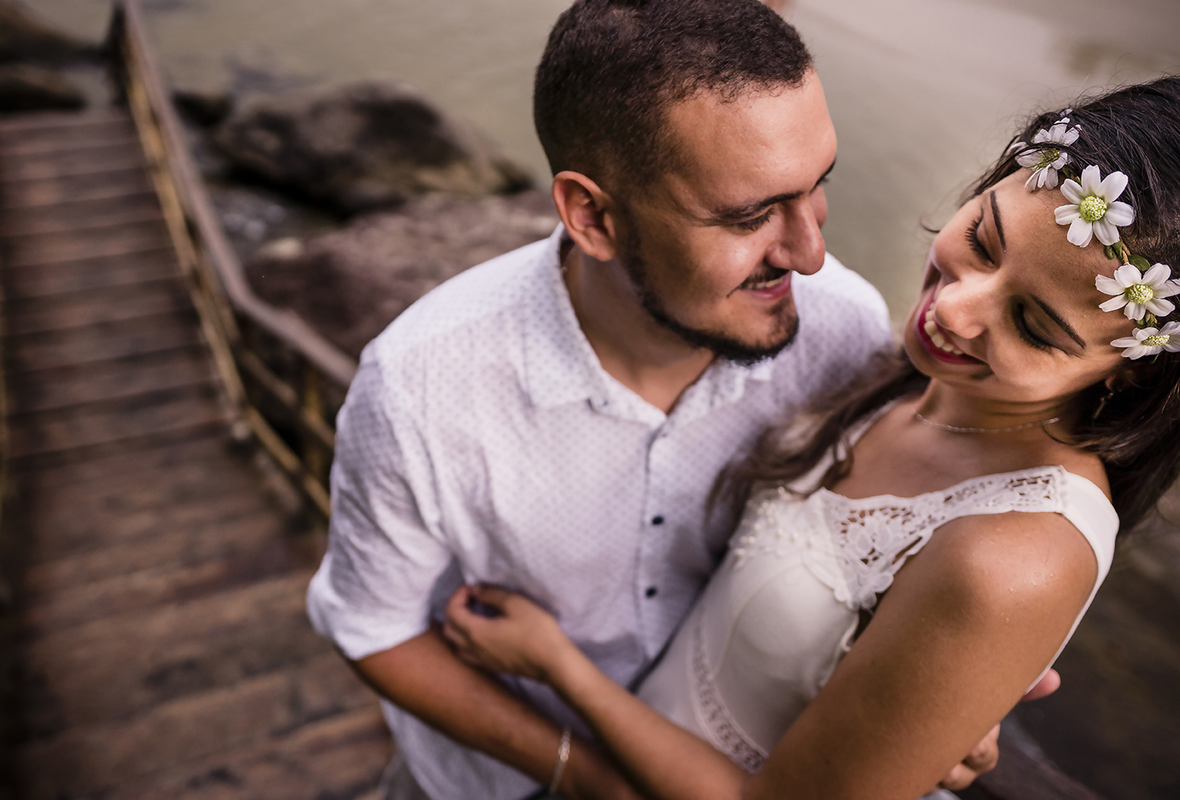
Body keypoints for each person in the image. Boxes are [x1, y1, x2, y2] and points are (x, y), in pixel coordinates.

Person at [306, 2, 1034, 797]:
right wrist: (585, 777)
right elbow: (374, 629)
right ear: (593, 216)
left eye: (816, 186)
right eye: (750, 215)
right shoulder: (419, 384)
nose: (809, 252)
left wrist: (944, 692)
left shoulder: (845, 330)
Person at [442, 76, 1180, 799]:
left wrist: (560, 669)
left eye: (1033, 325)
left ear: (1131, 371)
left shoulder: (1017, 557)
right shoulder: (909, 379)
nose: (955, 311)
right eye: (984, 242)